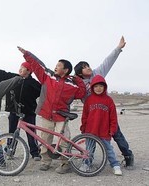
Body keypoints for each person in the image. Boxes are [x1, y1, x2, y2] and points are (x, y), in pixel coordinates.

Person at [17, 46, 86, 173]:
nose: (56, 67)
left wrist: (78, 80)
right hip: (46, 114)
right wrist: (26, 54)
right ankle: (45, 162)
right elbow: (38, 65)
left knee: (64, 139)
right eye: (56, 65)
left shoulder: (72, 84)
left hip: (62, 116)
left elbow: (82, 93)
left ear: (65, 70)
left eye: (59, 65)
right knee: (45, 139)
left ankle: (65, 164)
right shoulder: (48, 76)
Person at [74, 36, 134, 169]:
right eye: (84, 67)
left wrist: (118, 48)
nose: (88, 68)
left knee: (117, 134)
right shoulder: (78, 83)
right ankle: (87, 161)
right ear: (79, 72)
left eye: (88, 65)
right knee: (91, 138)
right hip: (92, 115)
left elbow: (108, 61)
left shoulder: (97, 73)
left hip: (106, 111)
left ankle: (128, 156)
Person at [0, 63, 42, 160]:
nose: (20, 69)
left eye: (23, 68)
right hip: (14, 112)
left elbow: (43, 94)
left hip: (28, 112)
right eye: (20, 67)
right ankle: (10, 151)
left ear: (29, 71)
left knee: (31, 133)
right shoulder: (12, 78)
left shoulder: (34, 83)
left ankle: (35, 153)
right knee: (12, 133)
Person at [80, 75, 122, 176]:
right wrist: (83, 127)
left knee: (109, 149)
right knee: (89, 150)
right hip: (90, 131)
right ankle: (86, 164)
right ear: (92, 87)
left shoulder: (109, 100)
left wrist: (112, 129)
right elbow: (84, 115)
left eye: (101, 86)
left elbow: (113, 118)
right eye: (96, 86)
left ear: (104, 87)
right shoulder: (89, 100)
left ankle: (115, 165)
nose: (98, 88)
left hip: (104, 131)